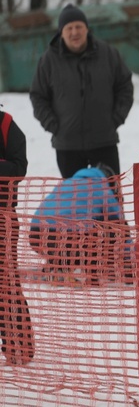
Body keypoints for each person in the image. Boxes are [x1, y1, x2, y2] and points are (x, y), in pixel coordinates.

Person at [30, 3, 134, 178]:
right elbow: (38, 96)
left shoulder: (108, 53)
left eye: (79, 26)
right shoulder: (48, 60)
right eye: (69, 28)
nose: (74, 32)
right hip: (67, 146)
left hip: (104, 141)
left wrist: (115, 118)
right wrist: (54, 126)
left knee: (109, 199)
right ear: (61, 32)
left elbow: (124, 86)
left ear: (87, 28)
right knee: (74, 202)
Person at [28, 163, 132, 285]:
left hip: (37, 236)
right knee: (107, 229)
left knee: (78, 230)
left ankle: (56, 267)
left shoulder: (66, 183)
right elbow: (120, 223)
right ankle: (91, 274)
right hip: (69, 239)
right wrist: (129, 259)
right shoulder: (101, 187)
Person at [0, 109, 33, 365]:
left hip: (4, 219)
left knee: (6, 282)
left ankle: (18, 346)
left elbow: (19, 168)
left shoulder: (7, 125)